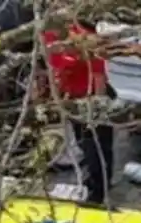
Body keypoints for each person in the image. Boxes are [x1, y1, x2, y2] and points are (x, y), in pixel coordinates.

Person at [43, 21, 114, 205]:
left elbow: (98, 75)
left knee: (96, 147)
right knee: (83, 144)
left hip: (92, 98)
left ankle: (98, 192)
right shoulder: (48, 38)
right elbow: (53, 69)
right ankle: (96, 179)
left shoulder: (84, 39)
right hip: (72, 100)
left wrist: (97, 108)